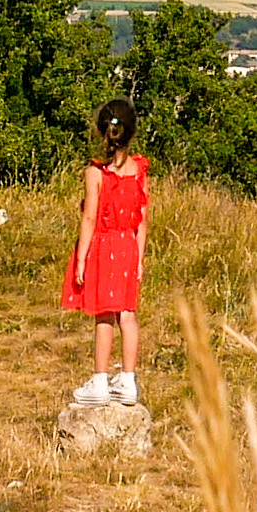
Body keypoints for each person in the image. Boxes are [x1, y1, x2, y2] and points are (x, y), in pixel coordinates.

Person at [64, 98, 150, 406]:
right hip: (128, 245)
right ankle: (128, 379)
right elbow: (142, 216)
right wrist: (139, 256)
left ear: (102, 132)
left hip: (103, 246)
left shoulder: (95, 173)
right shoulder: (139, 169)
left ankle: (100, 380)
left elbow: (89, 217)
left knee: (104, 315)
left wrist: (82, 259)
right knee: (128, 313)